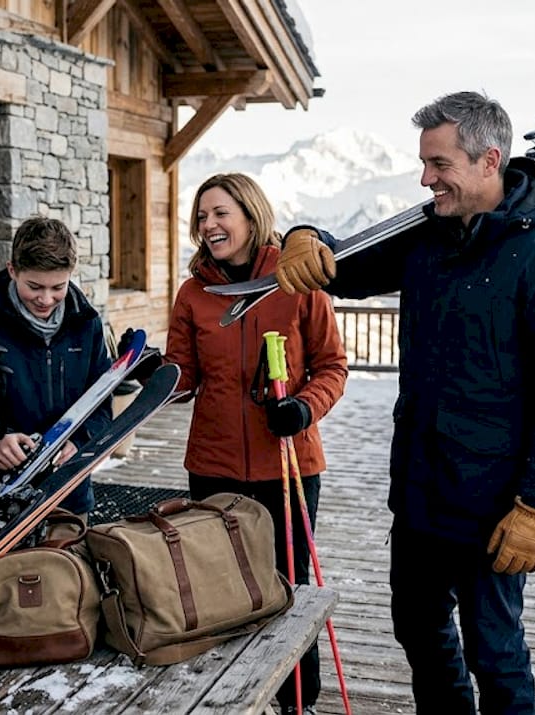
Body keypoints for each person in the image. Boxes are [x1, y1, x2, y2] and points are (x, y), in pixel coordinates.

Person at [275, 92, 535, 713]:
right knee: (419, 630)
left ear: (488, 161)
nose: (426, 179)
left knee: (495, 654)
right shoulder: (430, 238)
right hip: (422, 489)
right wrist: (303, 235)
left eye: (439, 164)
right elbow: (343, 264)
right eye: (424, 164)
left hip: (496, 503)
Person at [165, 173, 349, 715]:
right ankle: (227, 697)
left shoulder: (295, 280)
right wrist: (150, 378)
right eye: (201, 217)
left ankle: (297, 701)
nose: (209, 225)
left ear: (249, 213)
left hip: (287, 460)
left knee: (288, 587)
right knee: (218, 588)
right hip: (215, 462)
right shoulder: (195, 292)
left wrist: (305, 406)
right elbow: (184, 376)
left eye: (220, 213)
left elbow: (333, 366)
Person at [0, 217, 112, 518]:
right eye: (34, 286)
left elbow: (102, 402)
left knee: (70, 565)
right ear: (12, 270)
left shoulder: (87, 326)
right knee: (6, 568)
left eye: (58, 287)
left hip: (69, 493)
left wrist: (79, 442)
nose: (46, 299)